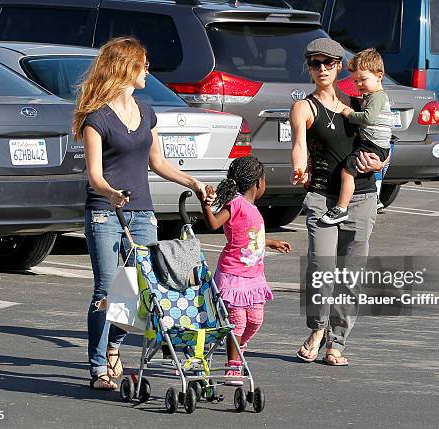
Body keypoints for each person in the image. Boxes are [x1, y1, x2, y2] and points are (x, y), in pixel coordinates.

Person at [73, 36, 213, 390]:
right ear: (125, 67)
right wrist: (110, 193)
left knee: (135, 289)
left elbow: (158, 161)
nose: (148, 70)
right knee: (106, 289)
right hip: (106, 213)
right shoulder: (96, 119)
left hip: (142, 214)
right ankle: (98, 368)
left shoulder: (147, 111)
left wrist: (194, 183)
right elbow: (94, 174)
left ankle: (114, 348)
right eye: (143, 63)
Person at [290, 38, 384, 366]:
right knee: (322, 267)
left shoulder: (358, 104)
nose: (321, 69)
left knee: (350, 275)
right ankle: (317, 329)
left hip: (362, 197)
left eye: (328, 63)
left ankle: (337, 340)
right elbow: (299, 144)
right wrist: (299, 168)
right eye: (315, 63)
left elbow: (381, 141)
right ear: (309, 67)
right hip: (320, 197)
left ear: (339, 66)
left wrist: (380, 163)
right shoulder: (304, 106)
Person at [197, 156, 290, 380]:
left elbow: (249, 236)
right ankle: (233, 363)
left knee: (256, 319)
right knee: (237, 321)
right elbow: (213, 224)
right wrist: (205, 205)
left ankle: (240, 346)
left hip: (254, 276)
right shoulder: (236, 204)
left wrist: (270, 242)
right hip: (233, 275)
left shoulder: (251, 207)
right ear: (258, 183)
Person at [320, 48, 392, 225]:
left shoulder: (377, 97)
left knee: (347, 172)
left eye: (363, 79)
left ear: (379, 76)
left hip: (373, 145)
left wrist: (349, 113)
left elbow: (368, 117)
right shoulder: (372, 96)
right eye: (356, 81)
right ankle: (374, 199)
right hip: (377, 146)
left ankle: (341, 208)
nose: (359, 84)